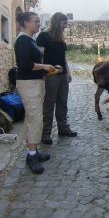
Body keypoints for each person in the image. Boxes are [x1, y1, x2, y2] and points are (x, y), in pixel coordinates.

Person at [15, 12, 53, 174]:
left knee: (34, 117)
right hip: (28, 84)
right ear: (25, 23)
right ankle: (31, 156)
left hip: (35, 83)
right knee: (35, 118)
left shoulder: (30, 40)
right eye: (36, 21)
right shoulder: (23, 40)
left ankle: (34, 151)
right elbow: (23, 64)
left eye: (39, 21)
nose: (39, 24)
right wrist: (44, 67)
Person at [36, 12, 77, 145]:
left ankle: (63, 128)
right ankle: (46, 133)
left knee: (62, 102)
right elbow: (40, 56)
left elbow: (64, 58)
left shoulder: (61, 38)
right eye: (64, 23)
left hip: (62, 75)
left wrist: (68, 73)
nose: (66, 26)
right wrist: (42, 73)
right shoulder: (43, 36)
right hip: (50, 75)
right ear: (56, 22)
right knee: (49, 104)